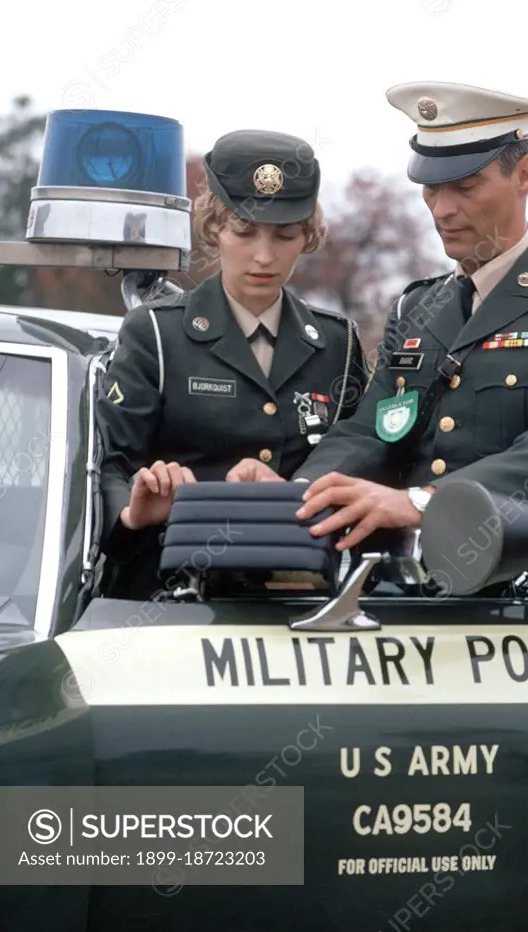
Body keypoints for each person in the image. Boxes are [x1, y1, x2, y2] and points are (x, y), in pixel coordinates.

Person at [226, 81, 528, 567]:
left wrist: (422, 500)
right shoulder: (418, 308)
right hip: (408, 586)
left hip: (524, 592)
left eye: (465, 187)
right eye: (431, 187)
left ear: (524, 174)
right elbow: (370, 432)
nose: (442, 209)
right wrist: (300, 494)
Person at [95, 128, 369, 598]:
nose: (264, 255)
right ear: (213, 228)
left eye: (285, 235)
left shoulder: (336, 343)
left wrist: (292, 494)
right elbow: (108, 466)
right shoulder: (156, 334)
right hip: (166, 602)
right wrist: (133, 512)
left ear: (307, 236)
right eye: (244, 232)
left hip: (302, 602)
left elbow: (363, 469)